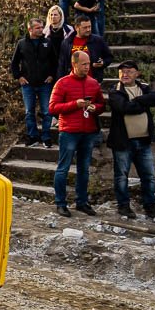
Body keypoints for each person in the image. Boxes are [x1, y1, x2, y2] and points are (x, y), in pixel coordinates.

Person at [49, 51, 104, 217]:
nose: (87, 67)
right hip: (69, 131)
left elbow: (101, 104)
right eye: (84, 64)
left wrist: (96, 108)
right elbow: (52, 108)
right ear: (75, 64)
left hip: (88, 131)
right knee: (63, 168)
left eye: (88, 64)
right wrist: (75, 104)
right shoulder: (62, 83)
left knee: (84, 169)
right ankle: (60, 203)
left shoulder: (93, 83)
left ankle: (82, 202)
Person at [106, 60, 155, 219]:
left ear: (137, 74)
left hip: (143, 141)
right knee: (122, 176)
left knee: (148, 176)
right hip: (123, 142)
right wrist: (142, 103)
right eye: (122, 71)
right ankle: (123, 206)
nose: (125, 74)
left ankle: (150, 206)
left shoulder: (143, 87)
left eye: (129, 71)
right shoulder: (115, 91)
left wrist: (137, 101)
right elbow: (124, 108)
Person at [10, 17, 58, 147]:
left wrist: (51, 76)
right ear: (30, 29)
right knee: (29, 112)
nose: (41, 30)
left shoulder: (47, 42)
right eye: (38, 28)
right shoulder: (21, 43)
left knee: (47, 111)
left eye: (42, 27)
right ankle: (33, 137)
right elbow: (14, 63)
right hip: (28, 85)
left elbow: (55, 62)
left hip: (45, 84)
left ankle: (46, 137)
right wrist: (19, 77)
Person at [58, 15, 113, 82]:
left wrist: (103, 63)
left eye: (89, 27)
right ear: (76, 27)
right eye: (85, 27)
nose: (88, 29)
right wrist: (60, 81)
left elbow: (109, 57)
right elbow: (62, 64)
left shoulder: (98, 40)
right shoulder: (67, 43)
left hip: (92, 81)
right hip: (72, 82)